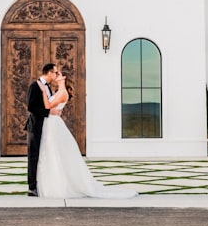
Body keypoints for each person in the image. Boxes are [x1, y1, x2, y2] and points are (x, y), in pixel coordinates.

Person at [36, 70, 137, 199]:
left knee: (55, 152)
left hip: (54, 124)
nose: (56, 75)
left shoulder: (63, 93)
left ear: (63, 78)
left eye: (59, 74)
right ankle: (52, 183)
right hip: (51, 123)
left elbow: (48, 106)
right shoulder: (58, 92)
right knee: (52, 152)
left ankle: (59, 186)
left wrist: (43, 92)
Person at [25, 63, 57, 196]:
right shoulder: (35, 85)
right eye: (55, 72)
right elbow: (30, 107)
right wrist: (47, 113)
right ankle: (32, 187)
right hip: (35, 126)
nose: (56, 75)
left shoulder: (48, 87)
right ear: (49, 73)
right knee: (33, 156)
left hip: (46, 126)